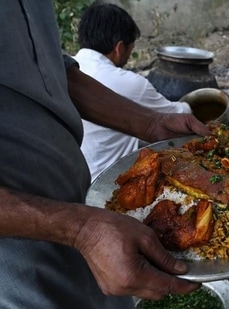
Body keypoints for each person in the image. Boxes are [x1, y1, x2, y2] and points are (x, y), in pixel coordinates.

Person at [0, 2, 211, 308]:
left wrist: (151, 122)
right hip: (21, 263)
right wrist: (81, 228)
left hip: (88, 210)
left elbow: (49, 72)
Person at [74, 3, 194, 180]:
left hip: (74, 180)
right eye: (130, 50)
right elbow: (178, 115)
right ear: (119, 47)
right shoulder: (130, 83)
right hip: (107, 182)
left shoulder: (67, 71)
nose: (129, 56)